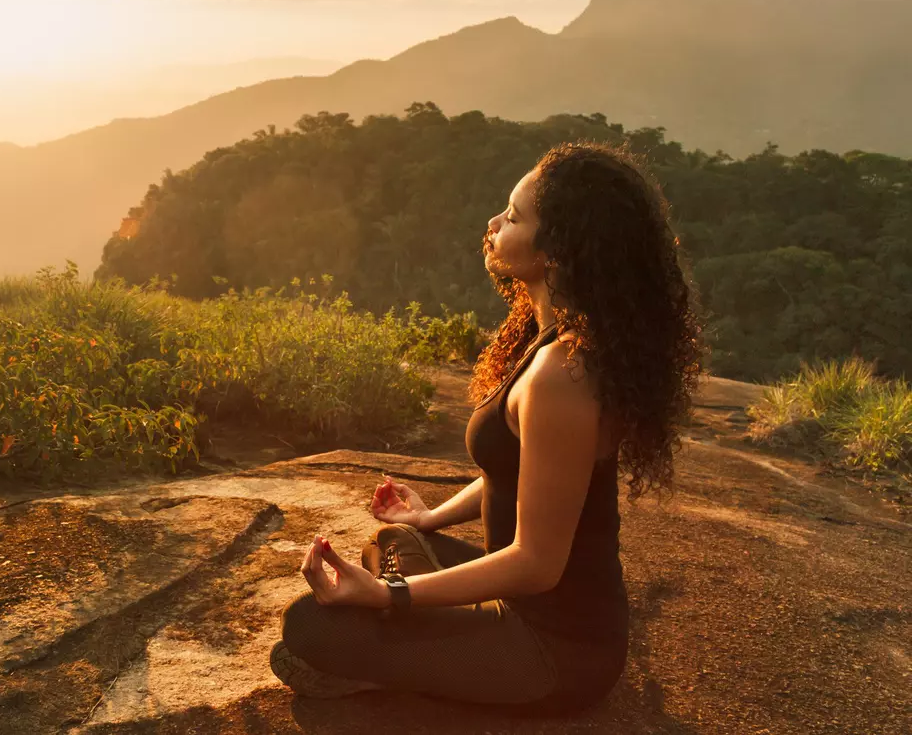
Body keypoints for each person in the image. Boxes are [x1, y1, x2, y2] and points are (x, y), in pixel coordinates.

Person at [270, 142, 703, 714]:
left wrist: (386, 595)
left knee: (309, 629)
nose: (494, 224)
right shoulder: (549, 340)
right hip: (520, 610)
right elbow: (522, 472)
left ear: (557, 251)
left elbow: (535, 564)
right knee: (396, 539)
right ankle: (421, 646)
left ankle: (409, 669)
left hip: (555, 651)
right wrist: (430, 516)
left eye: (514, 217)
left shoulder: (564, 375)